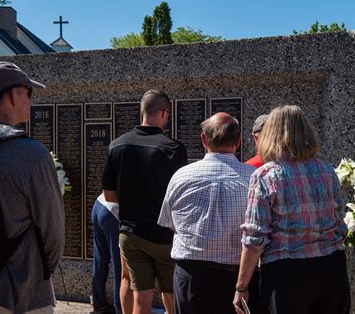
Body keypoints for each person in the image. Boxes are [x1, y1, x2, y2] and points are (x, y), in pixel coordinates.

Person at [233, 105, 350, 314]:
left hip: (287, 274)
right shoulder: (326, 170)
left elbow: (254, 238)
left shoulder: (265, 176)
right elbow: (340, 223)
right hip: (332, 268)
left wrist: (241, 286)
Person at [0, 62, 65, 313]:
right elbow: (53, 231)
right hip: (21, 293)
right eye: (28, 93)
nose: (30, 100)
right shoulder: (30, 154)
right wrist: (40, 272)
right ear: (13, 95)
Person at [158, 112, 258, 314]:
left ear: (203, 139)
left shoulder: (181, 177)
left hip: (191, 277)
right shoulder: (254, 179)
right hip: (237, 278)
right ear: (238, 140)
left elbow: (170, 223)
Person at [102, 90, 187, 314]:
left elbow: (109, 195)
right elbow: (179, 197)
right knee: (170, 292)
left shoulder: (116, 146)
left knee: (134, 287)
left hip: (130, 233)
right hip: (164, 236)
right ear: (162, 112)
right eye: (167, 114)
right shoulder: (173, 149)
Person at [91, 194, 121, 314]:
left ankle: (98, 304)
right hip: (114, 211)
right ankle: (121, 308)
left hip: (99, 204)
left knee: (100, 259)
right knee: (120, 267)